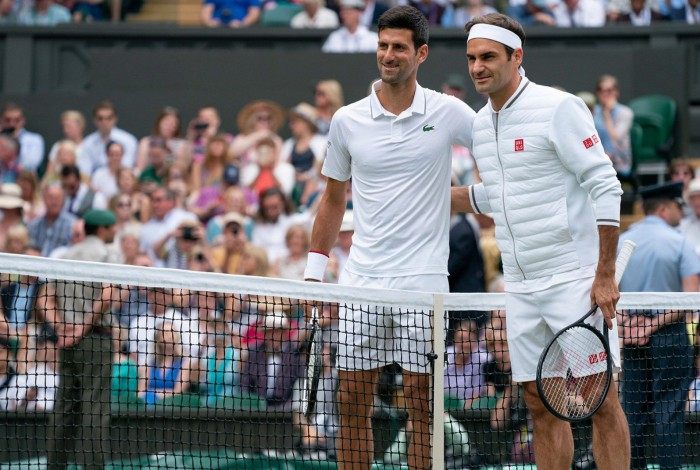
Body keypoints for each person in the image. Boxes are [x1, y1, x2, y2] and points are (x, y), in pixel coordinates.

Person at [451, 12, 630, 469]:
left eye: (488, 57)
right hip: (521, 287)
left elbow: (606, 186)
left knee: (599, 399)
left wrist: (604, 274)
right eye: (471, 58)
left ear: (517, 57)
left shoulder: (559, 107)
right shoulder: (480, 125)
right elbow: (501, 195)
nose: (477, 67)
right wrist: (435, 196)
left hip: (574, 279)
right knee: (538, 402)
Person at [304, 6, 476, 469]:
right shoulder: (347, 120)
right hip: (362, 280)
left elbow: (497, 148)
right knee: (351, 402)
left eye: (399, 47)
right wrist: (313, 275)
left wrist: (474, 198)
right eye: (382, 46)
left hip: (423, 282)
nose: (388, 55)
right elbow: (333, 199)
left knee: (422, 405)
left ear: (421, 53)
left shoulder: (448, 111)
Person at [618, 181, 700, 470]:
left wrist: (630, 323)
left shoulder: (621, 241)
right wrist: (653, 326)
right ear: (665, 209)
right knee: (669, 413)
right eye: (678, 206)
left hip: (632, 337)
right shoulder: (680, 242)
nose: (681, 212)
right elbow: (690, 298)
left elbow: (607, 292)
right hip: (669, 338)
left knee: (633, 414)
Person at [36, 209, 121, 470]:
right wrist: (82, 327)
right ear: (103, 229)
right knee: (95, 408)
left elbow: (44, 300)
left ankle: (55, 466)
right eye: (112, 227)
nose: (115, 231)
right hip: (95, 340)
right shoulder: (108, 253)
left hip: (68, 343)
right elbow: (107, 295)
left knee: (64, 408)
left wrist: (61, 327)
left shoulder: (65, 256)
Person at [592, 74, 634, 178]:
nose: (605, 93)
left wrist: (606, 113)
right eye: (601, 90)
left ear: (616, 92)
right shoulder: (594, 112)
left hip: (618, 162)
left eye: (609, 90)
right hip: (595, 160)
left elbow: (615, 138)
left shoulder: (625, 112)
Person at [0, 103, 45, 174]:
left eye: (17, 120)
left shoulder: (34, 139)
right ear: (1, 121)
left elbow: (31, 164)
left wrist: (14, 141)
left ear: (23, 121)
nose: (12, 124)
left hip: (23, 177)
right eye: (7, 120)